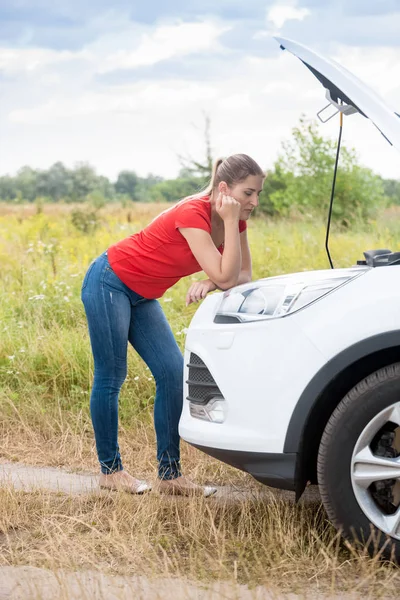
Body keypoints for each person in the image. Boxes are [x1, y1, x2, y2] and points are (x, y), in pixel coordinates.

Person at [81, 154, 265, 496]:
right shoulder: (192, 213)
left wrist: (210, 282)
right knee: (111, 375)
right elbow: (227, 274)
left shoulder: (234, 221)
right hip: (110, 281)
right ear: (224, 189)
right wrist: (219, 274)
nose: (254, 202)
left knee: (171, 372)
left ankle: (170, 476)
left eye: (257, 194)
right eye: (248, 193)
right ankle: (110, 471)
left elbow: (240, 275)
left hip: (142, 295)